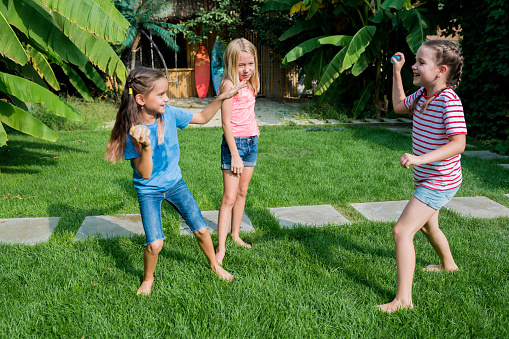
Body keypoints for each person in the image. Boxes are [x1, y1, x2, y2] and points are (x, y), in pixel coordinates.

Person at [105, 67, 246, 295]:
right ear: (140, 99)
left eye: (165, 93)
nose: (166, 98)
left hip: (175, 184)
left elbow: (201, 117)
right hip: (149, 190)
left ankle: (214, 265)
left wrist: (221, 98)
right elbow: (146, 174)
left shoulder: (169, 113)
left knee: (201, 230)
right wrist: (147, 146)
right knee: (155, 244)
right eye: (160, 95)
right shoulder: (133, 132)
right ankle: (148, 279)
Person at [378, 40, 467, 313]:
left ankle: (404, 300)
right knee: (429, 226)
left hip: (438, 180)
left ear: (440, 70)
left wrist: (420, 158)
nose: (414, 66)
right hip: (431, 178)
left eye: (420, 63)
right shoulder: (422, 96)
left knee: (402, 231)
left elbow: (458, 143)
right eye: (414, 62)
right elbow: (397, 107)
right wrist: (397, 71)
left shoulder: (448, 101)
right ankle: (448, 265)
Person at [215, 38, 260, 265]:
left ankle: (235, 234)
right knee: (229, 197)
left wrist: (255, 127)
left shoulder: (250, 83)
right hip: (235, 146)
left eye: (250, 64)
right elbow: (225, 123)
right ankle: (220, 247)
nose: (246, 70)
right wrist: (234, 154)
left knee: (242, 192)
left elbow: (246, 112)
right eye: (241, 65)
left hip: (251, 143)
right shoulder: (228, 86)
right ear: (232, 63)